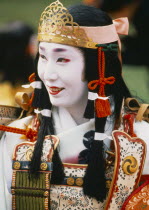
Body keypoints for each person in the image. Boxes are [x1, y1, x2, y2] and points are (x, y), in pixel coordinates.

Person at [0, 0, 149, 209]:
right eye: (43, 57)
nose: (48, 74)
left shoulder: (143, 138)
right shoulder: (16, 135)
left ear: (101, 65)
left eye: (62, 59)